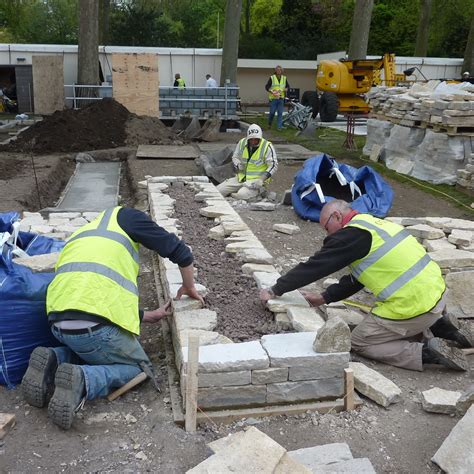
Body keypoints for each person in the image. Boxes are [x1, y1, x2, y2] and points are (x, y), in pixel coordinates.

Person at [22, 206, 204, 430]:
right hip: (93, 328)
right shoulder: (129, 218)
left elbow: (93, 293)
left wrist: (147, 316)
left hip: (58, 323)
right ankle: (82, 379)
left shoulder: (83, 234)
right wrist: (188, 286)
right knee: (140, 370)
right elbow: (180, 252)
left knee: (93, 350)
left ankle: (55, 359)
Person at [260, 199, 472, 372]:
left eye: (326, 227)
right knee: (410, 314)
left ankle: (426, 351)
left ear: (337, 216)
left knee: (360, 342)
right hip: (437, 293)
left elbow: (316, 266)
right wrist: (325, 297)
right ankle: (441, 326)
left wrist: (275, 289)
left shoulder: (351, 235)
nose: (327, 234)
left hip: (413, 306)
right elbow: (359, 277)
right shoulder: (373, 224)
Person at [217, 123, 278, 201]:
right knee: (218, 191)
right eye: (251, 139)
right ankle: (241, 191)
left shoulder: (267, 146)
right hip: (241, 178)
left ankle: (261, 191)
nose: (253, 141)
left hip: (256, 181)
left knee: (241, 195)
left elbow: (273, 165)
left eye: (256, 139)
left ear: (260, 138)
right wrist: (238, 164)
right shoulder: (242, 142)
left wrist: (262, 179)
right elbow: (235, 157)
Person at [265, 65, 289, 130]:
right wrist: (271, 91)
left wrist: (285, 89)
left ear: (282, 71)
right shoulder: (272, 78)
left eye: (280, 70)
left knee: (280, 113)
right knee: (272, 112)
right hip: (273, 98)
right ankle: (269, 124)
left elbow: (287, 87)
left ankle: (279, 127)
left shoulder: (284, 78)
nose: (278, 71)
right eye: (277, 70)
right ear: (275, 70)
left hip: (281, 98)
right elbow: (267, 87)